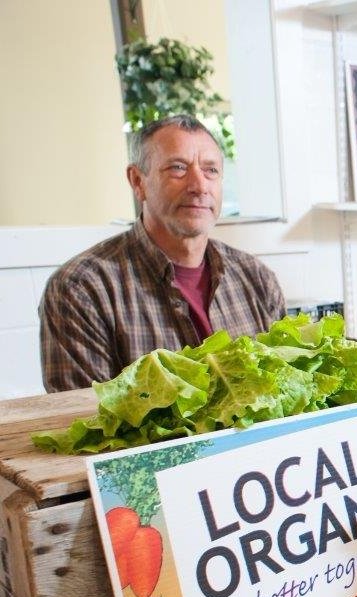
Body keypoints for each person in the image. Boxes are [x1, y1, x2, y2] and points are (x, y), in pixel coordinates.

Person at [39, 115, 285, 392]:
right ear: (137, 181)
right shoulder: (81, 289)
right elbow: (86, 422)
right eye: (178, 168)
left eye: (211, 170)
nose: (199, 186)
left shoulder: (258, 280)